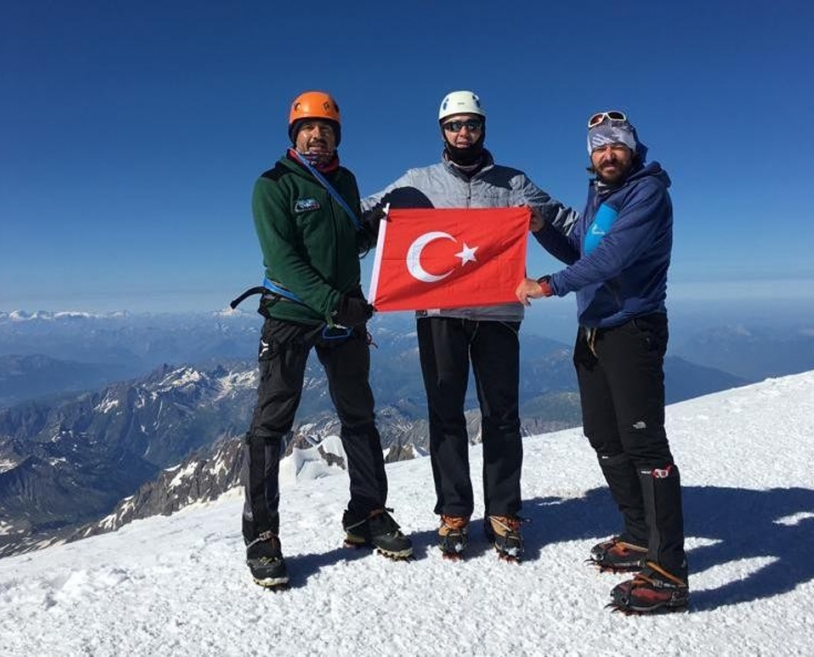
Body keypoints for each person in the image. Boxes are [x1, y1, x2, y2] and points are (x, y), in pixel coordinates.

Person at [362, 90, 577, 561]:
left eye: (472, 125)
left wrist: (584, 246)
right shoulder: (417, 182)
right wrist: (374, 217)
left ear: (483, 128)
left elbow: (565, 224)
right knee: (445, 414)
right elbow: (365, 214)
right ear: (442, 131)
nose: (464, 133)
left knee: (502, 414)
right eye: (455, 125)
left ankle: (503, 510)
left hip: (498, 313)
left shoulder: (513, 182)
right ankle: (454, 511)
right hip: (439, 314)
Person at [516, 110, 689, 613]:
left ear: (633, 148)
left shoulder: (647, 192)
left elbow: (613, 258)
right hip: (594, 331)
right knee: (604, 435)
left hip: (632, 330)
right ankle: (638, 534)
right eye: (598, 147)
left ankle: (668, 570)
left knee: (645, 446)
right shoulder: (602, 194)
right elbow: (581, 251)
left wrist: (545, 285)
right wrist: (543, 227)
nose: (607, 154)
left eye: (616, 144)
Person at [239, 91, 413, 588]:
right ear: (294, 136)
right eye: (308, 129)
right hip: (293, 315)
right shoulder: (272, 185)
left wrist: (376, 231)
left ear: (337, 136)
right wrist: (336, 303)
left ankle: (367, 512)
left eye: (327, 129)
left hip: (343, 317)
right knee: (270, 425)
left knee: (359, 414)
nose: (318, 135)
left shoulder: (347, 181)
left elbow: (345, 243)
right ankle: (262, 535)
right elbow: (284, 260)